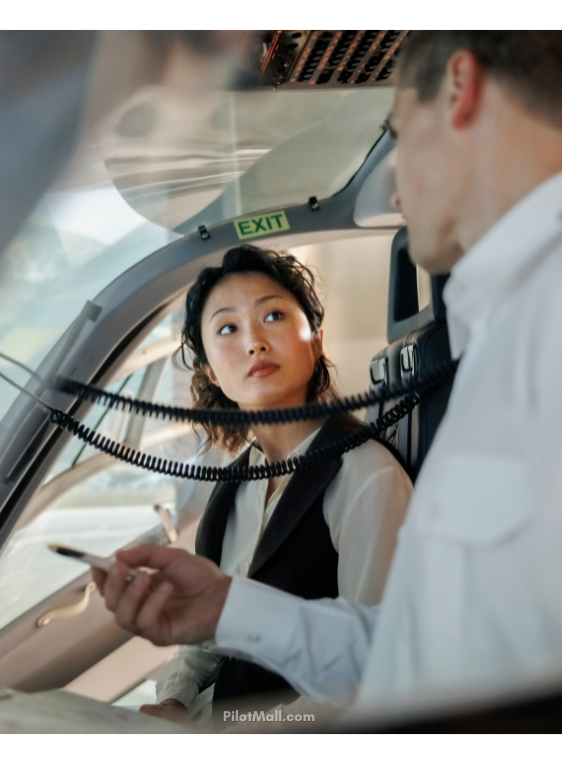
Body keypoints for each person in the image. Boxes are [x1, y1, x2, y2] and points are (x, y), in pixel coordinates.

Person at [93, 30, 562, 715]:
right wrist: (224, 608)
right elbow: (429, 655)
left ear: (459, 88)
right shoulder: (530, 315)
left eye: (400, 129)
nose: (393, 175)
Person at [141, 246, 412, 723]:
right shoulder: (233, 486)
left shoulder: (365, 475)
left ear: (316, 341)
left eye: (273, 315)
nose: (254, 342)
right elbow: (208, 636)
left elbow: (370, 675)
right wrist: (173, 701)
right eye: (227, 327)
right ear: (210, 372)